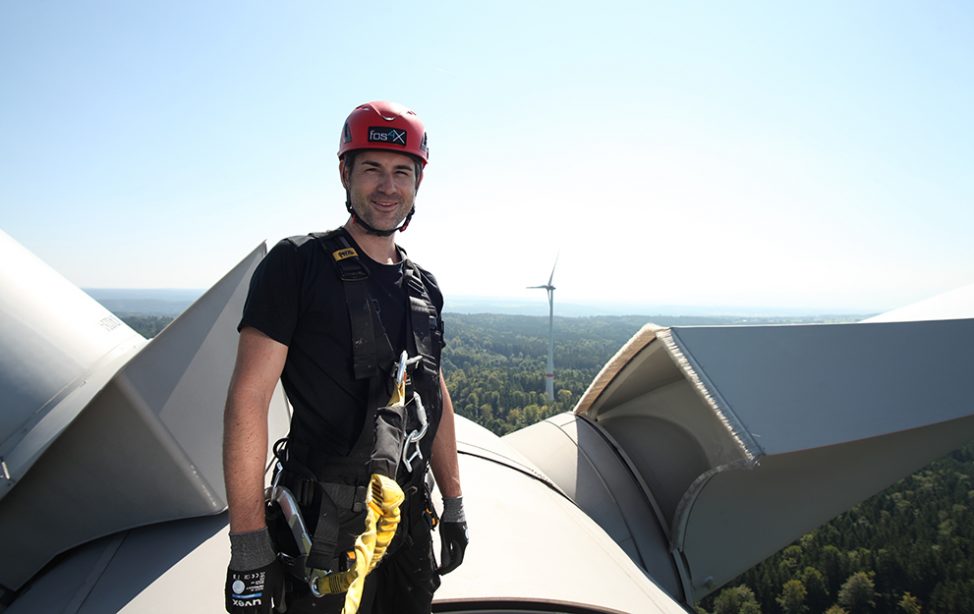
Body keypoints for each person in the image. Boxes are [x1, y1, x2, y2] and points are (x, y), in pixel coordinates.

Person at [223, 101, 467, 614]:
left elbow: (433, 394)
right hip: (324, 529)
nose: (387, 186)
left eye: (402, 172)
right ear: (345, 174)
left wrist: (455, 503)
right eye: (372, 169)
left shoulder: (425, 289)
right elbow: (248, 398)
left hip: (407, 522)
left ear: (417, 184)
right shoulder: (298, 265)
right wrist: (248, 547)